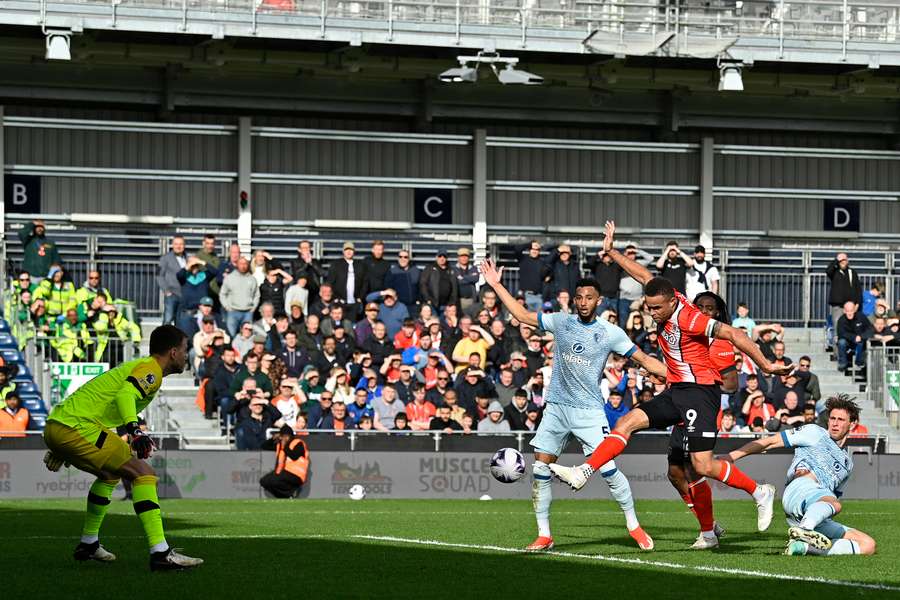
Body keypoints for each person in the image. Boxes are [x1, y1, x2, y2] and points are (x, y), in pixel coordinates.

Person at [549, 221, 790, 538]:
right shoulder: (666, 295)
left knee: (702, 467)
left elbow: (732, 333)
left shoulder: (689, 318)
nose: (652, 313)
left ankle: (759, 491)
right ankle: (585, 470)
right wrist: (611, 251)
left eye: (657, 308)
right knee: (627, 422)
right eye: (649, 308)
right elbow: (644, 276)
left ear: (673, 303)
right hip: (678, 391)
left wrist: (766, 365)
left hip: (701, 394)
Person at [479, 254, 667, 553]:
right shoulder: (561, 322)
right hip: (555, 408)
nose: (582, 302)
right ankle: (544, 534)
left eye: (588, 297)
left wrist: (675, 376)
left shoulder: (610, 333)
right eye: (578, 297)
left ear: (599, 301)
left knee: (608, 470)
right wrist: (498, 286)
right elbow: (524, 315)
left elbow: (644, 359)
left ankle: (633, 525)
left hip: (589, 411)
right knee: (541, 470)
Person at [41, 325, 202, 570]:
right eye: (184, 349)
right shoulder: (151, 370)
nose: (185, 355)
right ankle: (161, 552)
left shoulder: (140, 367)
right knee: (144, 474)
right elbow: (125, 396)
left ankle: (89, 543)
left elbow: (100, 401)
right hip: (76, 426)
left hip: (60, 424)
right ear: (172, 352)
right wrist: (135, 430)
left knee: (109, 475)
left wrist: (59, 447)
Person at [724, 395, 876, 556]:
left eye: (840, 420)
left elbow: (832, 497)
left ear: (852, 424)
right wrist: (731, 457)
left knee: (867, 545)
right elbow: (770, 442)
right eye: (832, 418)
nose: (835, 423)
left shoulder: (847, 464)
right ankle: (804, 531)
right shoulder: (814, 432)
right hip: (799, 491)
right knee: (835, 504)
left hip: (812, 512)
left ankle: (802, 547)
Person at [664, 291, 738, 549]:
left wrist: (701, 377)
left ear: (717, 314)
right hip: (681, 408)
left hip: (701, 409)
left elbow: (731, 383)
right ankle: (710, 524)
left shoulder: (720, 343)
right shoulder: (683, 335)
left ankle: (707, 532)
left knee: (695, 469)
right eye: (700, 307)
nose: (705, 312)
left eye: (710, 308)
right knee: (674, 474)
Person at [260, 425, 309, 499]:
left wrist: (284, 446)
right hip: (283, 472)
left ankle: (291, 491)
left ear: (290, 436)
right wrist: (273, 438)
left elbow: (294, 456)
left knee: (275, 481)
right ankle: (287, 496)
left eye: (286, 436)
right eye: (282, 436)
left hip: (296, 474)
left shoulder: (298, 443)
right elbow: (264, 446)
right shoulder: (279, 445)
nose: (284, 438)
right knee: (264, 481)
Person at [826, 252, 862, 349]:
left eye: (844, 260)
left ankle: (850, 351)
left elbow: (858, 288)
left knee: (851, 328)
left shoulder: (852, 272)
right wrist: (836, 260)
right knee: (837, 329)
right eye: (841, 260)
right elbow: (828, 271)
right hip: (837, 307)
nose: (843, 262)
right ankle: (837, 353)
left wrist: (857, 303)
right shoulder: (834, 272)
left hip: (851, 307)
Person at [220, 256, 260, 338]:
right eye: (241, 263)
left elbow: (257, 295)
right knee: (230, 336)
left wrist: (253, 308)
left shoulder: (252, 279)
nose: (243, 266)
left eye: (245, 263)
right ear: (237, 264)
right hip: (232, 312)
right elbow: (222, 294)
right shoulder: (230, 278)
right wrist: (227, 307)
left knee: (247, 337)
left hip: (248, 313)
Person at [327, 242, 365, 321]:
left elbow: (365, 282)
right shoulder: (336, 265)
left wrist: (360, 297)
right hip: (340, 302)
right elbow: (330, 282)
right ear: (343, 251)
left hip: (354, 303)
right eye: (346, 250)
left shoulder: (360, 265)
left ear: (354, 251)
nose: (348, 252)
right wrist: (335, 298)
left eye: (351, 250)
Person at [19, 219, 62, 283]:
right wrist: (33, 223)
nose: (39, 229)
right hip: (31, 276)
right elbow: (21, 233)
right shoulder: (28, 241)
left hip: (46, 276)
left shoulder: (50, 243)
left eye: (41, 227)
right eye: (37, 227)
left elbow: (56, 259)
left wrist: (54, 271)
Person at [157, 236, 187, 326]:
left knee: (180, 321)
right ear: (172, 245)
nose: (178, 246)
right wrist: (166, 291)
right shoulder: (165, 258)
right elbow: (159, 276)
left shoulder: (187, 258)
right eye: (176, 244)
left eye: (181, 244)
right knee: (168, 319)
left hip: (183, 294)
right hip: (171, 294)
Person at [836, 301, 873, 372]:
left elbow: (870, 328)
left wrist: (861, 336)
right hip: (848, 341)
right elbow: (842, 333)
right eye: (847, 311)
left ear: (854, 310)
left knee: (861, 342)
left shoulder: (861, 316)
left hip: (860, 341)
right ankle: (843, 363)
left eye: (851, 310)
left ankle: (859, 362)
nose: (849, 313)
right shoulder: (841, 320)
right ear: (844, 311)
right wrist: (854, 337)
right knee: (841, 342)